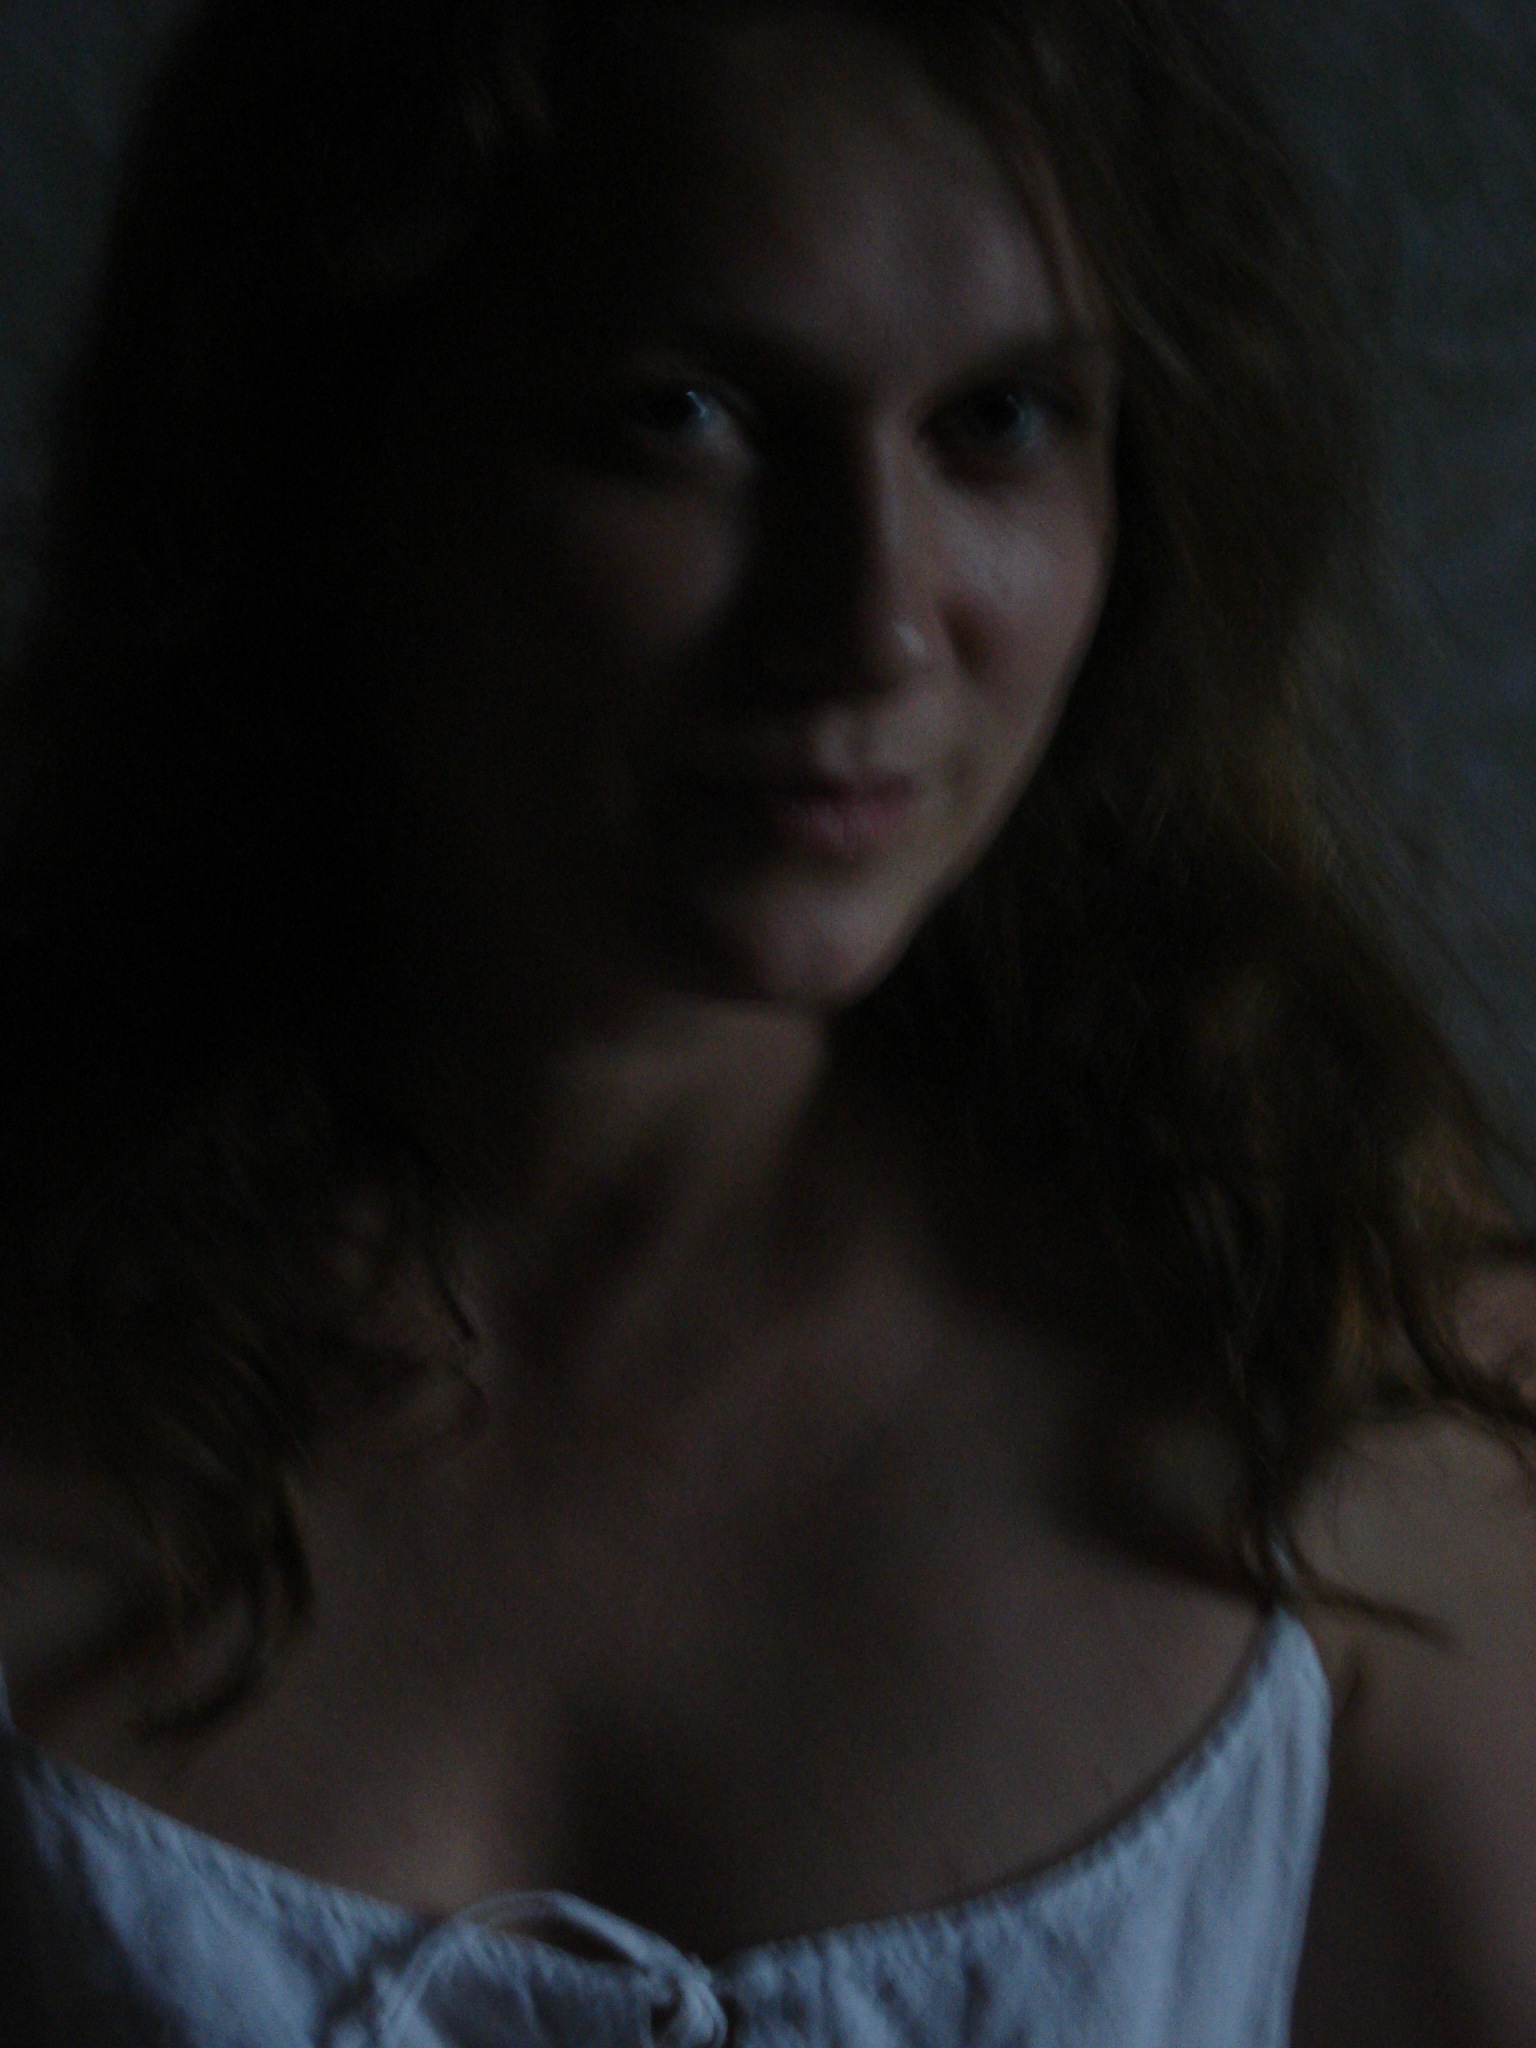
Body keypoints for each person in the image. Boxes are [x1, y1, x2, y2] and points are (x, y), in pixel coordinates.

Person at [0, 0, 1532, 2041]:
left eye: (1001, 421)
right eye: (686, 416)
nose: (872, 622)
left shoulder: (1354, 1370)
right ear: (323, 441)